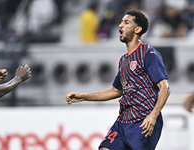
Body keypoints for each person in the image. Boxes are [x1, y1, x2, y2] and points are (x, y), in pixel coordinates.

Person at [66, 10, 170, 150]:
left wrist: (153, 115)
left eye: (126, 22)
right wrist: (83, 96)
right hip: (123, 121)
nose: (120, 25)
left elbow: (165, 87)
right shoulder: (124, 60)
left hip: (143, 120)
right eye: (121, 22)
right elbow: (116, 90)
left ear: (137, 29)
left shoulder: (148, 53)